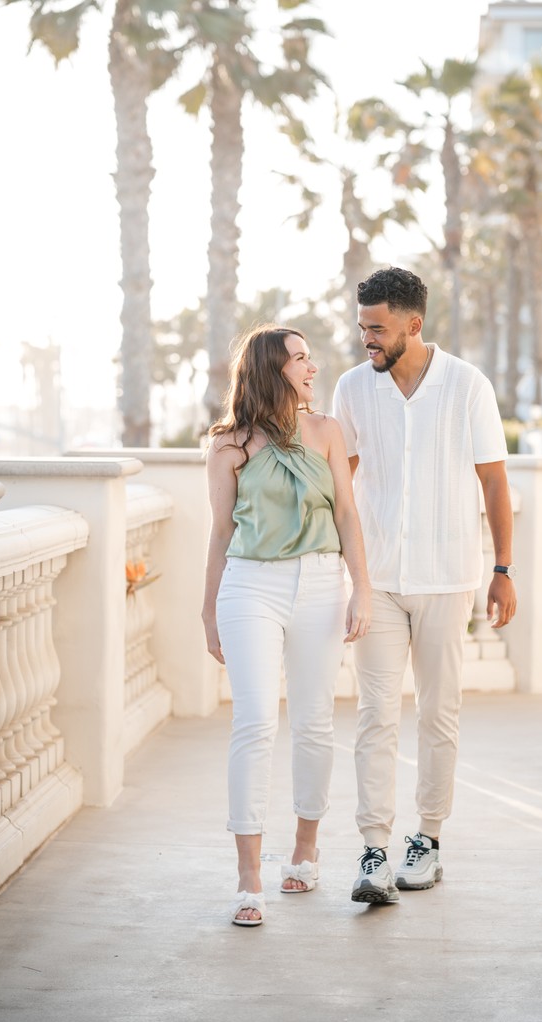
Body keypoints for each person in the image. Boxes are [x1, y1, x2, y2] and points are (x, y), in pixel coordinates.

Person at [332, 267, 517, 904]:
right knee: (374, 718)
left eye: (378, 329)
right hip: (376, 578)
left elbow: (494, 482)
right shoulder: (353, 388)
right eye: (362, 329)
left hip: (447, 578)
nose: (367, 341)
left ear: (414, 323)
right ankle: (374, 850)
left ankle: (428, 840)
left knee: (439, 714)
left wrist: (502, 570)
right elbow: (341, 483)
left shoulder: (467, 386)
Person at [202, 324, 371, 926]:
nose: (311, 367)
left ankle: (305, 847)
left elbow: (348, 515)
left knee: (315, 722)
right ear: (272, 368)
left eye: (309, 357)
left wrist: (361, 589)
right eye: (299, 358)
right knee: (253, 723)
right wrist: (208, 607)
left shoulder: (326, 431)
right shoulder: (227, 446)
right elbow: (221, 532)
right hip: (250, 585)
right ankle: (248, 877)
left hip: (323, 584)